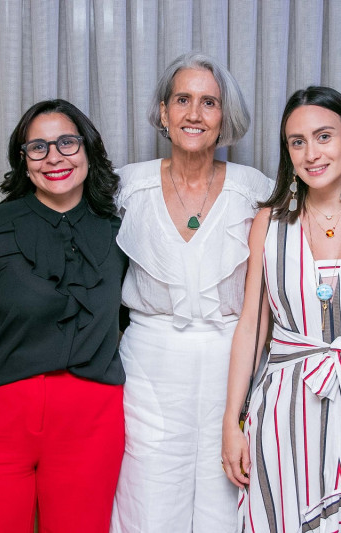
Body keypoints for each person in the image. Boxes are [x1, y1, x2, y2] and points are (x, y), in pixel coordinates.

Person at [222, 86, 341, 533]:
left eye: (324, 136)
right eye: (297, 141)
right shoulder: (268, 224)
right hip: (286, 407)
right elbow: (251, 326)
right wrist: (233, 422)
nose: (311, 153)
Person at [0, 99, 127, 532]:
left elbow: (142, 319)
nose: (55, 157)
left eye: (67, 142)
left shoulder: (122, 233)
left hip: (92, 424)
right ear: (23, 162)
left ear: (88, 150)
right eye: (38, 148)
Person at [109, 52, 274, 532]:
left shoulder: (257, 191)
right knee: (149, 498)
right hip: (149, 368)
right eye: (183, 99)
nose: (194, 114)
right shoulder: (126, 186)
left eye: (209, 102)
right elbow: (63, 226)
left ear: (225, 118)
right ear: (164, 112)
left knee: (228, 499)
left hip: (232, 362)